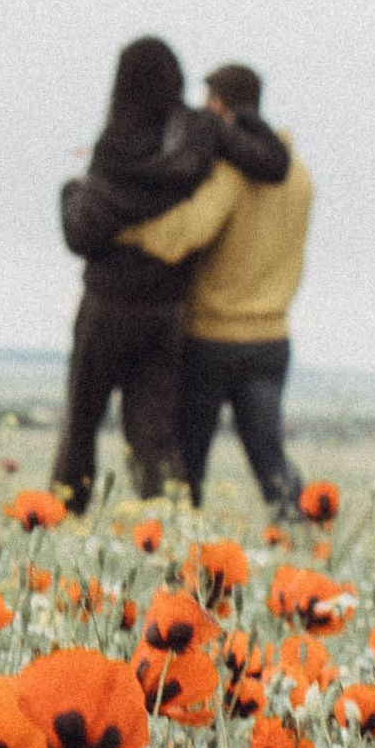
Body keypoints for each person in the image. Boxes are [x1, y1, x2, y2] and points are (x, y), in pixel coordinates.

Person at [51, 39, 287, 508]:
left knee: (81, 426)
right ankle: (167, 536)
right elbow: (272, 163)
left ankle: (63, 518)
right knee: (154, 439)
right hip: (165, 310)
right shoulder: (202, 132)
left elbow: (80, 234)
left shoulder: (113, 146)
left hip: (107, 305)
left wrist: (69, 190)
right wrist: (242, 115)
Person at [120, 61, 313, 514]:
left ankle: (185, 555)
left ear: (222, 109)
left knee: (189, 466)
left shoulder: (231, 173)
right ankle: (309, 545)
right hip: (272, 339)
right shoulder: (300, 176)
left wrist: (120, 228)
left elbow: (184, 234)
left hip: (212, 339)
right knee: (270, 460)